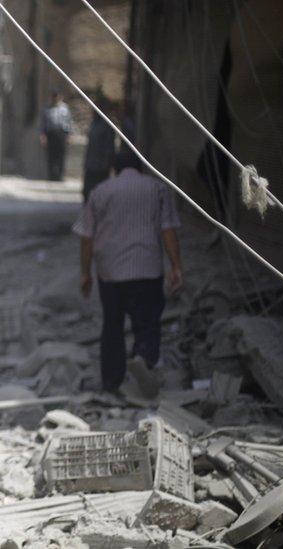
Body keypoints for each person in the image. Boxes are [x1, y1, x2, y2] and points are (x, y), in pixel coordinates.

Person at [73, 148, 184, 398]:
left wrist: (85, 273)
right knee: (147, 323)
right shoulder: (157, 189)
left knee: (112, 325)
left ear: (115, 168)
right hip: (146, 269)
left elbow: (86, 237)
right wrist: (176, 266)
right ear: (142, 166)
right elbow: (168, 231)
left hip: (110, 272)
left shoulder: (100, 192)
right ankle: (142, 357)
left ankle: (112, 382)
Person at [82, 98, 116, 202]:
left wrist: (107, 163)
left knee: (100, 193)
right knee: (87, 192)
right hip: (91, 164)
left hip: (101, 166)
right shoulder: (94, 123)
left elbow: (109, 146)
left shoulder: (107, 125)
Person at [40, 90, 72, 181]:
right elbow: (43, 123)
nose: (55, 99)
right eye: (54, 97)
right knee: (51, 155)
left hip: (61, 134)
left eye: (57, 96)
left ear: (60, 97)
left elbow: (69, 122)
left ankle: (60, 176)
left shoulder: (65, 108)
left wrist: (69, 135)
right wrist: (43, 135)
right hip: (51, 134)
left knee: (61, 155)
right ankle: (51, 176)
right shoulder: (47, 108)